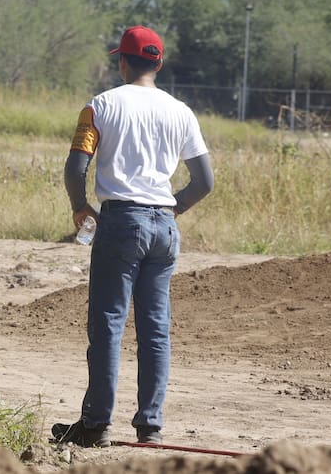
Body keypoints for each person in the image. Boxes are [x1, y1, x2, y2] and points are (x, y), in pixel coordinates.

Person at [52, 25, 215, 448]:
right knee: (155, 328)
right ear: (158, 63)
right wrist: (169, 208)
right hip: (164, 227)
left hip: (121, 223)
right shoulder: (181, 111)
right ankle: (150, 427)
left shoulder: (100, 106)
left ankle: (95, 425)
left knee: (108, 325)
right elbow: (204, 181)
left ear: (122, 62)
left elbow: (75, 168)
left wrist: (79, 207)